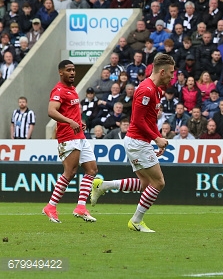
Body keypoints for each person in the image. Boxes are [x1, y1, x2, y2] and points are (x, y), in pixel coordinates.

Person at [91, 54, 175, 233]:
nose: (172, 76)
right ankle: (136, 220)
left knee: (145, 185)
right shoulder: (146, 90)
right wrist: (156, 138)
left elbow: (149, 119)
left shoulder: (156, 90)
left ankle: (103, 185)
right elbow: (137, 120)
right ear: (162, 71)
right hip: (137, 141)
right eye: (171, 73)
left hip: (138, 141)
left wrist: (157, 138)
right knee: (159, 183)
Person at [44, 60, 100, 223]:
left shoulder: (72, 89)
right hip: (68, 136)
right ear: (61, 72)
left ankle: (81, 207)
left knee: (92, 170)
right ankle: (51, 206)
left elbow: (71, 111)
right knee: (70, 172)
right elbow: (51, 111)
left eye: (73, 70)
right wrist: (70, 121)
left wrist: (78, 121)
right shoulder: (59, 90)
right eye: (68, 70)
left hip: (79, 135)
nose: (72, 73)